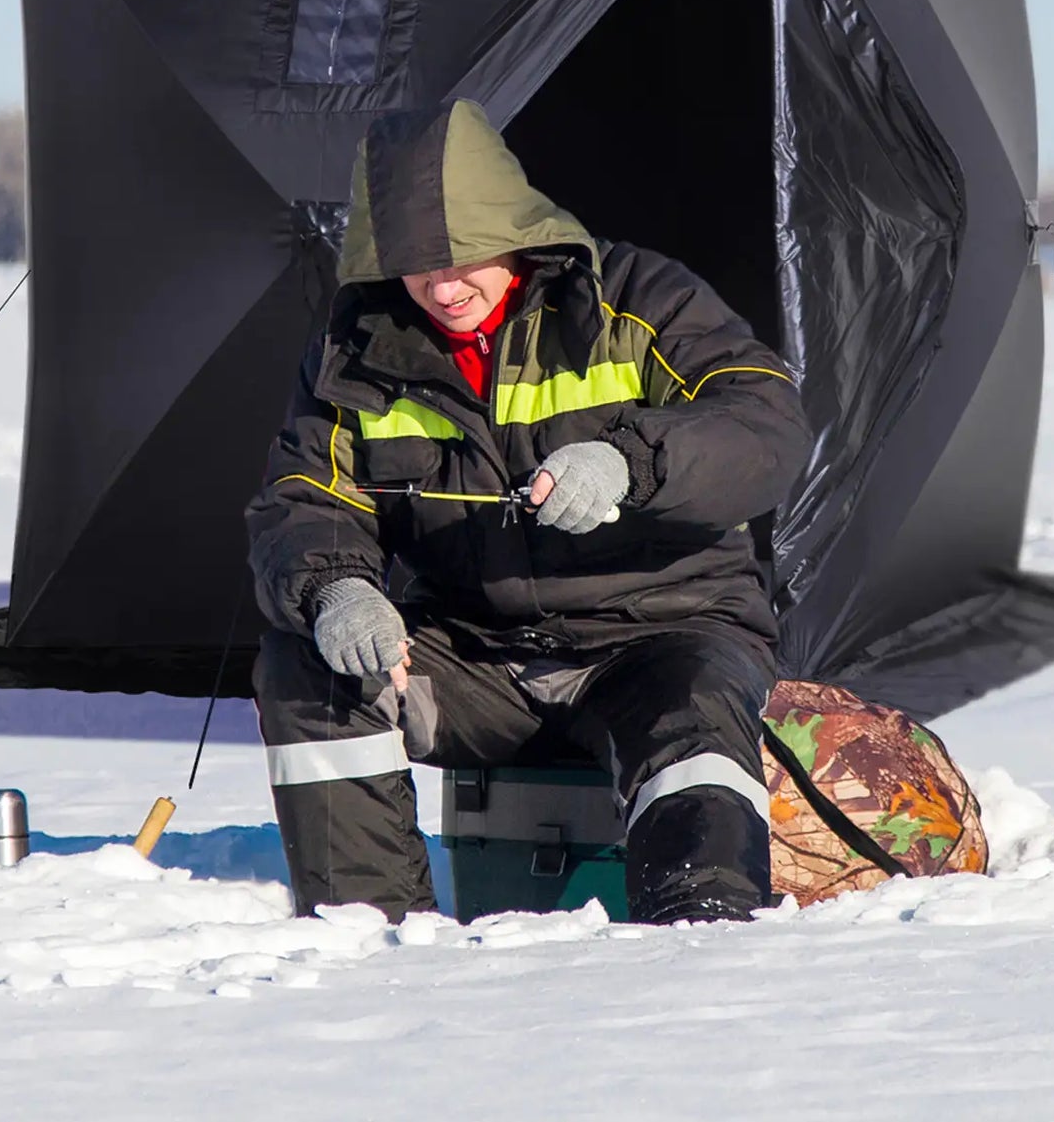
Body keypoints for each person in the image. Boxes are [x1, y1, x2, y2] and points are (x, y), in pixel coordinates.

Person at [246, 99, 810, 924]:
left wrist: (630, 463)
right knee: (309, 668)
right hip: (478, 657)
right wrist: (336, 588)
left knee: (693, 709)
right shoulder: (354, 349)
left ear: (515, 227)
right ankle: (368, 936)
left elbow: (765, 427)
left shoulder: (640, 296)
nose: (444, 285)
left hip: (663, 635)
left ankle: (702, 933)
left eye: (466, 255)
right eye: (413, 263)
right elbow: (304, 494)